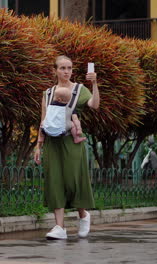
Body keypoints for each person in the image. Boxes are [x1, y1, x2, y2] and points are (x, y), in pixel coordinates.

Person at [34, 55, 100, 239]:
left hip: (72, 142)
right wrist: (39, 145)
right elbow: (43, 120)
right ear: (54, 70)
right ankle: (59, 227)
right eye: (62, 68)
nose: (66, 71)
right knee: (54, 181)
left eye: (69, 68)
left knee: (73, 181)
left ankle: (83, 214)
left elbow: (94, 105)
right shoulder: (47, 93)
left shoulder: (79, 90)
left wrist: (94, 84)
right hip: (52, 143)